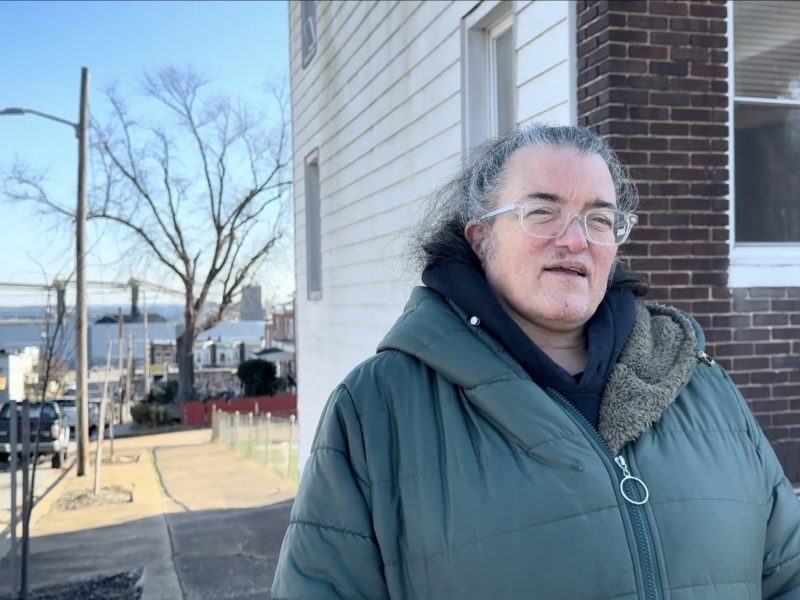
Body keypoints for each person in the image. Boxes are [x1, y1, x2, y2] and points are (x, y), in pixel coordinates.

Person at [271, 124, 800, 599]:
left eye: (599, 219)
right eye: (542, 212)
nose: (574, 240)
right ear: (480, 237)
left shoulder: (703, 387)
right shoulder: (374, 413)